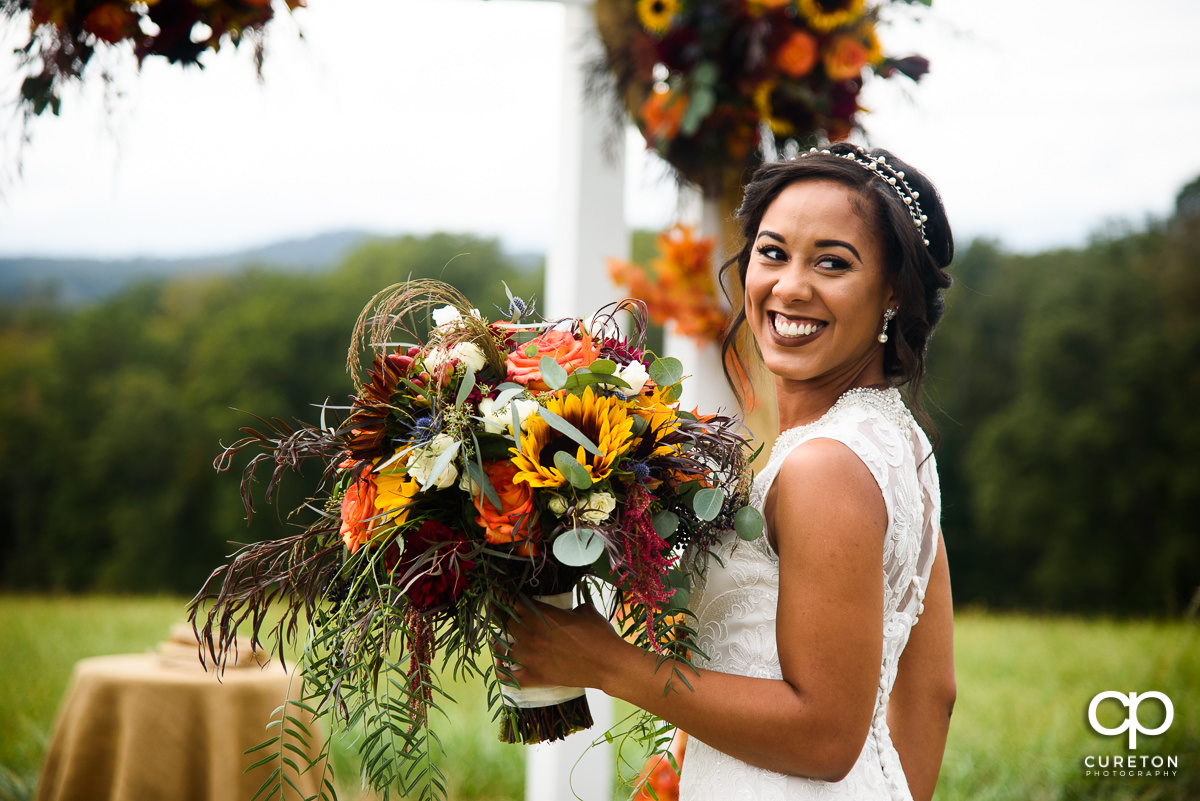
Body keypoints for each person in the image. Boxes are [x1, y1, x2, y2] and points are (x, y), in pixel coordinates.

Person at [506, 142, 957, 801]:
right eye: (773, 252)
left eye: (832, 262)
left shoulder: (827, 466)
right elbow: (931, 691)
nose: (790, 285)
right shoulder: (897, 443)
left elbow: (827, 737)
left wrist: (604, 661)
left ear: (893, 291)